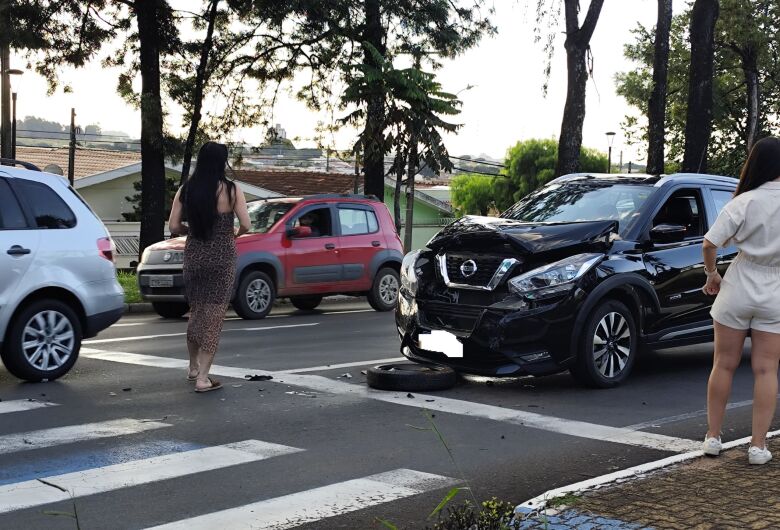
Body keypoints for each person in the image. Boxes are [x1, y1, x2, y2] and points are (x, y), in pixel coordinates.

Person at [702, 136, 780, 464]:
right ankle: (758, 447)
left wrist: (712, 275)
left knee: (723, 363)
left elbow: (709, 244)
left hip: (739, 283)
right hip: (776, 289)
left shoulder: (743, 201)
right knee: (766, 369)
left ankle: (712, 437)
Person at [168, 142, 251, 393]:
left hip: (194, 258)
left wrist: (190, 230)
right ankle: (203, 378)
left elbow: (173, 226)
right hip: (222, 259)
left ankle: (193, 367)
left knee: (196, 312)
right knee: (214, 317)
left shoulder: (186, 189)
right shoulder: (232, 190)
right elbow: (246, 224)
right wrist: (234, 233)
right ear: (221, 162)